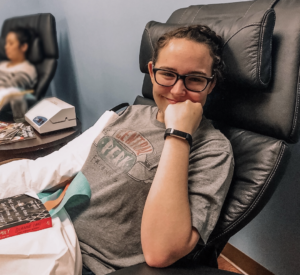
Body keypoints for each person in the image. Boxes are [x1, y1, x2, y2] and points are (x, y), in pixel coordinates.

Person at [0, 25, 234, 275]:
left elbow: (161, 252)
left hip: (81, 260)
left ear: (211, 84)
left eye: (195, 79)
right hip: (44, 222)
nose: (177, 90)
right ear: (152, 71)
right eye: (168, 74)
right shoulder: (131, 113)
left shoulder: (214, 150)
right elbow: (72, 163)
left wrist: (178, 134)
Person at [0, 26, 37, 91]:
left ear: (24, 47)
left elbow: (7, 91)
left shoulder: (27, 70)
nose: (6, 47)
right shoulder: (2, 64)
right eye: (6, 43)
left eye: (11, 43)